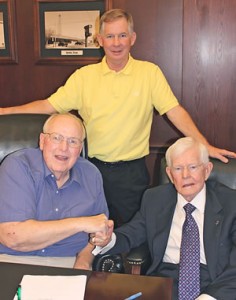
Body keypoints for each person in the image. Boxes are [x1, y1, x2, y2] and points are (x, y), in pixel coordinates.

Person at [0, 9, 235, 227]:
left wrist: (203, 144)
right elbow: (48, 106)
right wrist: (4, 112)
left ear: (132, 38)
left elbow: (174, 111)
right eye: (110, 36)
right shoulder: (84, 77)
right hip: (88, 170)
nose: (116, 43)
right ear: (99, 40)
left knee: (129, 236)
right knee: (87, 233)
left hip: (131, 175)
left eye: (122, 35)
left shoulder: (149, 73)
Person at [90, 137, 236, 300]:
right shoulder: (155, 199)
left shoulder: (231, 203)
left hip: (216, 284)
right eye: (178, 169)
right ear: (170, 174)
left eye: (193, 167)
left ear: (207, 170)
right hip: (164, 282)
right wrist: (108, 239)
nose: (186, 175)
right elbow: (131, 233)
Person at [0, 113, 109, 270]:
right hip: (14, 261)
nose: (64, 148)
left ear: (79, 149)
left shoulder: (91, 175)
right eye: (57, 138)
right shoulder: (18, 166)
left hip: (69, 262)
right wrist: (80, 224)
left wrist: (84, 262)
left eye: (73, 141)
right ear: (43, 141)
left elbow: (96, 235)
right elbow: (13, 237)